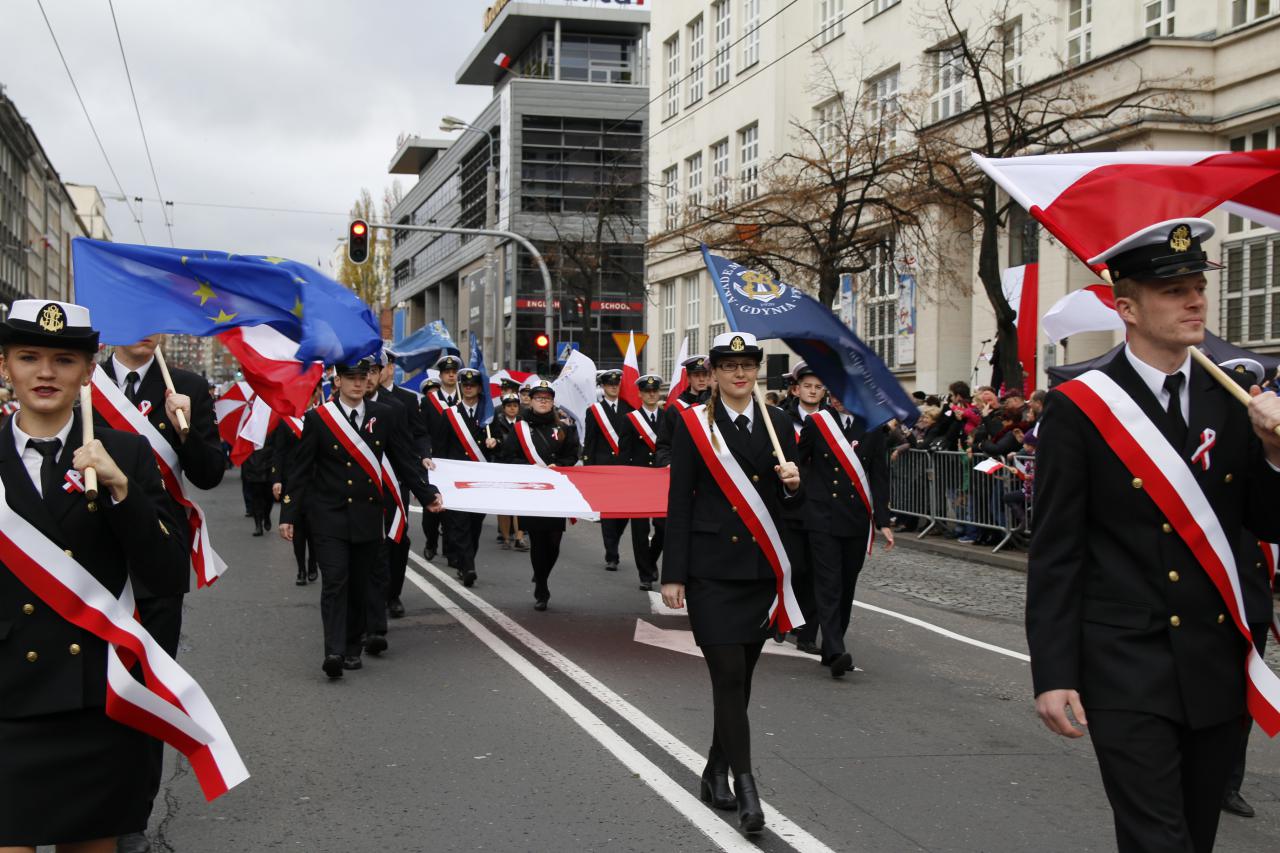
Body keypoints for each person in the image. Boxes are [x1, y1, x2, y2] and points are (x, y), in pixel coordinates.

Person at [1027, 219, 1280, 853]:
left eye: (1198, 286)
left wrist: (1275, 453)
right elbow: (1057, 550)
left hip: (1214, 655)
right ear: (1128, 308)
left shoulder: (1236, 397)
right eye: (1174, 290)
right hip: (1125, 662)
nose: (1196, 301)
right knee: (1156, 840)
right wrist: (1053, 672)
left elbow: (1269, 523)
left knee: (1195, 834)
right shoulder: (1081, 405)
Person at [0, 300, 188, 852]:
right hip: (8, 699)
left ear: (87, 371)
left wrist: (123, 494)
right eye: (29, 356)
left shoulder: (124, 451)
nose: (45, 372)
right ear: (6, 364)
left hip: (96, 701)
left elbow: (168, 571)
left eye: (63, 359)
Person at [662, 331, 803, 837]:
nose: (740, 373)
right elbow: (679, 499)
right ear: (714, 373)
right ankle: (747, 789)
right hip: (711, 571)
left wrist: (793, 486)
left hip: (761, 572)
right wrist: (673, 573)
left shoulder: (778, 420)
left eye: (748, 364)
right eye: (728, 365)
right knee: (727, 677)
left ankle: (713, 769)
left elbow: (793, 508)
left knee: (739, 683)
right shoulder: (693, 424)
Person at [95, 335, 225, 853]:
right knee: (92, 693)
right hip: (91, 560)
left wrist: (186, 430)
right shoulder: (88, 382)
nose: (147, 330)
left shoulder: (186, 386)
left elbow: (210, 473)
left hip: (157, 561)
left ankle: (133, 816)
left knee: (146, 694)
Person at [279, 360, 443, 678]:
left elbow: (402, 459)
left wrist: (426, 493)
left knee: (358, 583)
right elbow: (300, 470)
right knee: (335, 581)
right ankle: (334, 651)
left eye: (362, 377)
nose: (358, 383)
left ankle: (353, 647)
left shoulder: (385, 415)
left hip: (368, 514)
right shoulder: (318, 419)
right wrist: (289, 514)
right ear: (337, 381)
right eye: (350, 378)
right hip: (328, 515)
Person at [797, 395, 894, 676]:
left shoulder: (872, 427)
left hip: (855, 517)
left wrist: (883, 520)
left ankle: (831, 647)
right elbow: (800, 461)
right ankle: (837, 648)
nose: (839, 398)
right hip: (822, 515)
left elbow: (878, 475)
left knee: (847, 582)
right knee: (829, 583)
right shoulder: (817, 423)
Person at [499, 379, 580, 610]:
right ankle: (541, 587)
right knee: (538, 540)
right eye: (538, 398)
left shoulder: (564, 428)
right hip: (532, 493)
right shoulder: (520, 429)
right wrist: (530, 468)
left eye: (547, 398)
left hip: (555, 493)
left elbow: (572, 455)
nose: (543, 402)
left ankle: (542, 573)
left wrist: (559, 465)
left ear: (553, 401)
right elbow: (508, 457)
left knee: (554, 541)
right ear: (531, 401)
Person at [375, 351, 432, 618]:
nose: (378, 372)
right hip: (370, 480)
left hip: (399, 478)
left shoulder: (406, 400)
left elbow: (419, 434)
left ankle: (393, 595)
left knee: (398, 537)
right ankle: (373, 595)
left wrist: (424, 456)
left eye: (382, 366)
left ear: (391, 367)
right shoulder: (362, 399)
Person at [430, 367, 495, 587]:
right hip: (456, 479)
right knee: (460, 524)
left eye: (473, 385)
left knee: (475, 523)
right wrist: (439, 480)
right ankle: (468, 566)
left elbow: (502, 447)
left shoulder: (488, 416)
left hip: (480, 479)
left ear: (479, 388)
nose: (468, 388)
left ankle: (467, 561)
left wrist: (495, 443)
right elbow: (440, 447)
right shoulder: (450, 414)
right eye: (465, 385)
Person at [779, 362, 825, 654]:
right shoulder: (781, 420)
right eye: (807, 386)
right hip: (787, 506)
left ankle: (808, 632)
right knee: (791, 567)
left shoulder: (829, 421)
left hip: (819, 507)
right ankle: (782, 618)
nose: (812, 391)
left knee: (815, 571)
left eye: (818, 386)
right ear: (796, 389)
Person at [581, 368, 633, 572]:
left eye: (616, 383)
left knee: (625, 514)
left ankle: (615, 540)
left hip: (625, 469)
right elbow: (590, 443)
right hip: (603, 470)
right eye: (609, 384)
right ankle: (612, 554)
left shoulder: (629, 408)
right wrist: (589, 470)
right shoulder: (594, 411)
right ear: (603, 387)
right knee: (609, 514)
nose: (613, 386)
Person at [271, 391, 319, 586]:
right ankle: (301, 569)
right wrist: (277, 479)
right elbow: (279, 452)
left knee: (315, 528)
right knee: (297, 529)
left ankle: (313, 564)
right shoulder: (285, 422)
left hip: (316, 482)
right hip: (294, 482)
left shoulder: (320, 418)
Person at [419, 355, 462, 561]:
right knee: (432, 508)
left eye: (454, 372)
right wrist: (425, 454)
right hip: (435, 462)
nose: (451, 375)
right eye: (447, 372)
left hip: (456, 463)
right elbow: (422, 431)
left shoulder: (466, 400)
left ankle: (451, 550)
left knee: (452, 509)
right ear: (441, 375)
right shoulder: (430, 402)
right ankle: (431, 541)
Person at [625, 374, 666, 591]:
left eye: (655, 390)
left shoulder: (669, 417)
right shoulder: (630, 419)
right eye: (647, 391)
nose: (651, 394)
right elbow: (625, 453)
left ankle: (650, 560)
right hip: (638, 482)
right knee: (640, 531)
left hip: (661, 480)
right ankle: (645, 574)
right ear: (640, 394)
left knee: (663, 528)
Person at [656, 354, 711, 466]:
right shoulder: (675, 409)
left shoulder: (717, 402)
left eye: (705, 374)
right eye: (696, 375)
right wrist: (668, 464)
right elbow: (664, 446)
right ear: (689, 378)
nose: (701, 379)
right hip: (684, 466)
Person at [490, 393, 527, 551]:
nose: (512, 408)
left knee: (520, 505)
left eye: (515, 406)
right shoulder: (495, 423)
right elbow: (492, 444)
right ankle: (506, 538)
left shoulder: (524, 423)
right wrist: (494, 443)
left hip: (520, 466)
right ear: (503, 408)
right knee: (504, 505)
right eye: (509, 406)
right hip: (502, 466)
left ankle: (519, 537)